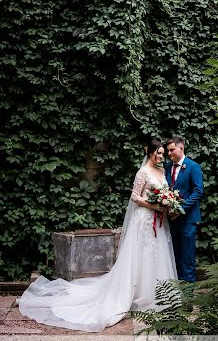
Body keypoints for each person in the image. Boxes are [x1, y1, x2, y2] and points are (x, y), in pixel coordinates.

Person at [18, 140, 177, 333]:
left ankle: (154, 294)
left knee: (156, 255)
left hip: (159, 221)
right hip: (144, 220)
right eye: (157, 153)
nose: (160, 157)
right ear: (150, 152)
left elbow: (165, 192)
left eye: (162, 153)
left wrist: (167, 203)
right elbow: (135, 196)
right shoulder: (142, 172)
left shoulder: (161, 172)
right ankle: (135, 294)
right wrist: (153, 205)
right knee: (141, 255)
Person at [165, 136, 204, 282]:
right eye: (168, 151)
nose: (169, 153)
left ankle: (188, 299)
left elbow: (198, 191)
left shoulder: (193, 166)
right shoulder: (167, 167)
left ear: (181, 148)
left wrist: (180, 209)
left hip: (187, 220)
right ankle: (178, 294)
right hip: (171, 219)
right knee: (175, 257)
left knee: (187, 258)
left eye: (172, 150)